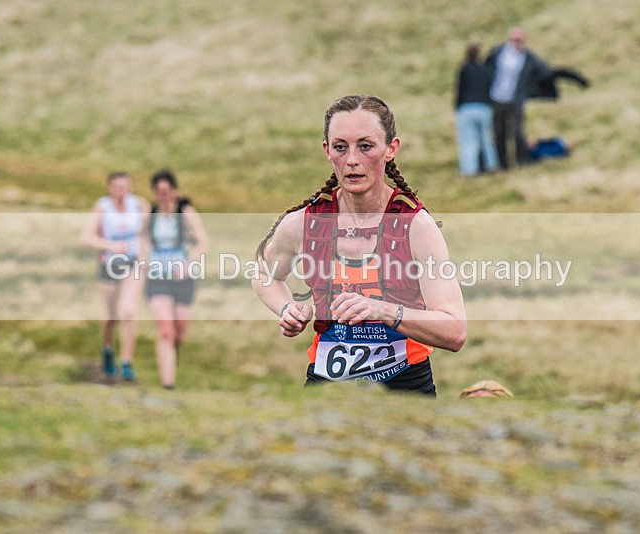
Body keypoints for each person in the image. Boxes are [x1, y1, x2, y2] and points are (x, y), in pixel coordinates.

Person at [252, 95, 467, 396]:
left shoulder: (415, 226)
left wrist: (382, 310)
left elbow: (455, 330)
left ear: (391, 149)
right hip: (325, 385)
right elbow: (264, 272)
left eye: (365, 146)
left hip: (404, 386)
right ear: (327, 151)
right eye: (341, 147)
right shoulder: (305, 223)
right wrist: (287, 308)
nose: (352, 160)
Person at [80, 171, 149, 381]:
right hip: (108, 265)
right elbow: (85, 238)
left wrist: (144, 254)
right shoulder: (102, 207)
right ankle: (108, 349)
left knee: (128, 311)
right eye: (116, 187)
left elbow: (148, 232)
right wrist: (110, 245)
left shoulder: (139, 206)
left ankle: (127, 361)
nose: (121, 192)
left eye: (125, 187)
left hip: (133, 264)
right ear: (110, 188)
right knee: (112, 316)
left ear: (130, 187)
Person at [143, 169, 209, 390]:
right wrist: (144, 260)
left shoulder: (185, 212)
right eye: (159, 192)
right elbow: (140, 239)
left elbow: (202, 242)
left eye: (167, 191)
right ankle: (167, 385)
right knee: (165, 330)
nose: (164, 195)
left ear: (175, 191)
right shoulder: (149, 214)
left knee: (179, 330)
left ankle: (172, 353)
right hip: (157, 278)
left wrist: (187, 264)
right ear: (154, 193)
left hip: (182, 278)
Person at [485, 26, 553, 170]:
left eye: (520, 39)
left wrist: (534, 91)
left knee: (517, 132)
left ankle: (522, 160)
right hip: (496, 98)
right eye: (515, 39)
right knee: (499, 132)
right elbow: (486, 68)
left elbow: (544, 71)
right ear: (510, 39)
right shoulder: (498, 52)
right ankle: (502, 163)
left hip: (515, 99)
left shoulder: (528, 57)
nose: (518, 42)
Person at [455, 42, 499, 177]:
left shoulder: (464, 69)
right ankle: (491, 165)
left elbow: (460, 90)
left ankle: (470, 169)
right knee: (486, 139)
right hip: (484, 107)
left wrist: (457, 107)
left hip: (467, 107)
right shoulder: (485, 69)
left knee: (468, 140)